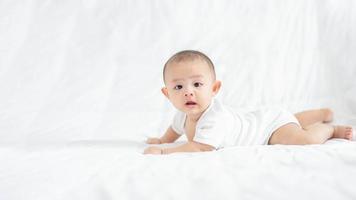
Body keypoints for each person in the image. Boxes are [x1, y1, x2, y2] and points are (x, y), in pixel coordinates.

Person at [143, 50, 353, 155]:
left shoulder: (213, 118)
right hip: (266, 118)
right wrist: (162, 140)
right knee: (289, 120)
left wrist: (165, 151)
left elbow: (199, 147)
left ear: (214, 89)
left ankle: (328, 128)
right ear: (167, 93)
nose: (188, 92)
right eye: (178, 87)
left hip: (267, 131)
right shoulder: (183, 114)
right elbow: (174, 130)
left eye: (197, 84)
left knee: (303, 139)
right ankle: (322, 112)